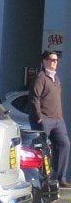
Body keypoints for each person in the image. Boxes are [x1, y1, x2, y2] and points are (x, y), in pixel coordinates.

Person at [30, 49, 70, 187]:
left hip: (58, 120)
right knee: (42, 148)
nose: (55, 62)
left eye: (57, 60)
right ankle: (41, 177)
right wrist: (40, 118)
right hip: (45, 119)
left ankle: (60, 178)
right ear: (45, 61)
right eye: (52, 60)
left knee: (65, 144)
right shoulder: (40, 77)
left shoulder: (56, 79)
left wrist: (60, 117)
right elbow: (35, 98)